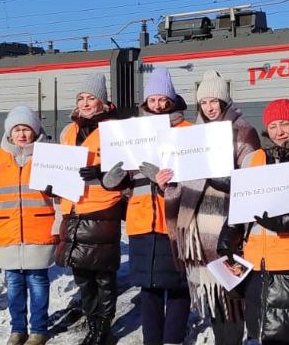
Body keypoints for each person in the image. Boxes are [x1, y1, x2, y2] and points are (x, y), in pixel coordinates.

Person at [154, 69, 260, 345]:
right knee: (212, 299)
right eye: (203, 103)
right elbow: (180, 181)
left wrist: (228, 181)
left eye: (214, 102)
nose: (209, 108)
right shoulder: (192, 135)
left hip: (226, 231)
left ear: (224, 101)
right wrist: (166, 184)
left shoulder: (243, 131)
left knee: (229, 297)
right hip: (196, 234)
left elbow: (253, 179)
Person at [217, 98, 289, 345]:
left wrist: (286, 220)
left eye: (286, 123)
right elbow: (240, 206)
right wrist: (229, 238)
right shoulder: (253, 159)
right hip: (258, 266)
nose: (280, 131)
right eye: (274, 125)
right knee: (261, 334)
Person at [102, 67, 192, 345]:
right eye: (153, 100)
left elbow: (199, 175)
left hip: (176, 220)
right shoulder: (130, 132)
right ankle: (152, 340)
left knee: (178, 286)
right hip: (141, 220)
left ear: (173, 100)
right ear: (146, 101)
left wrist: (170, 177)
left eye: (163, 99)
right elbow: (118, 181)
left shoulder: (188, 131)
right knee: (149, 287)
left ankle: (173, 339)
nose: (158, 105)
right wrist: (113, 178)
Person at [0, 106, 57, 345]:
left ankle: (39, 330)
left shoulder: (48, 157)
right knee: (14, 285)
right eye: (17, 129)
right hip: (8, 232)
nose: (21, 134)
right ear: (10, 133)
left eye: (26, 129)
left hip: (38, 232)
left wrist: (59, 225)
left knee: (38, 283)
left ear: (35, 131)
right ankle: (17, 329)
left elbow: (61, 198)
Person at [56, 73, 124, 345]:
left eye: (91, 98)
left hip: (101, 210)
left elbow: (124, 172)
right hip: (73, 211)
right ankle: (92, 322)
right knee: (82, 276)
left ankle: (102, 329)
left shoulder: (114, 131)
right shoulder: (68, 131)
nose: (85, 103)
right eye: (81, 98)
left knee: (103, 276)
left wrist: (101, 172)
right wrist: (52, 184)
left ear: (102, 102)